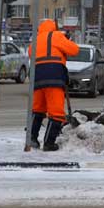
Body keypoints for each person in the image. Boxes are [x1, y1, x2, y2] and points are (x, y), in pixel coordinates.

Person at [29, 19, 79, 151]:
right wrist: (66, 41)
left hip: (37, 77)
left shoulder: (35, 40)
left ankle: (31, 139)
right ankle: (49, 143)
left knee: (38, 109)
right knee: (56, 112)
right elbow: (74, 50)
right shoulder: (56, 36)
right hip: (54, 76)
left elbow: (30, 53)